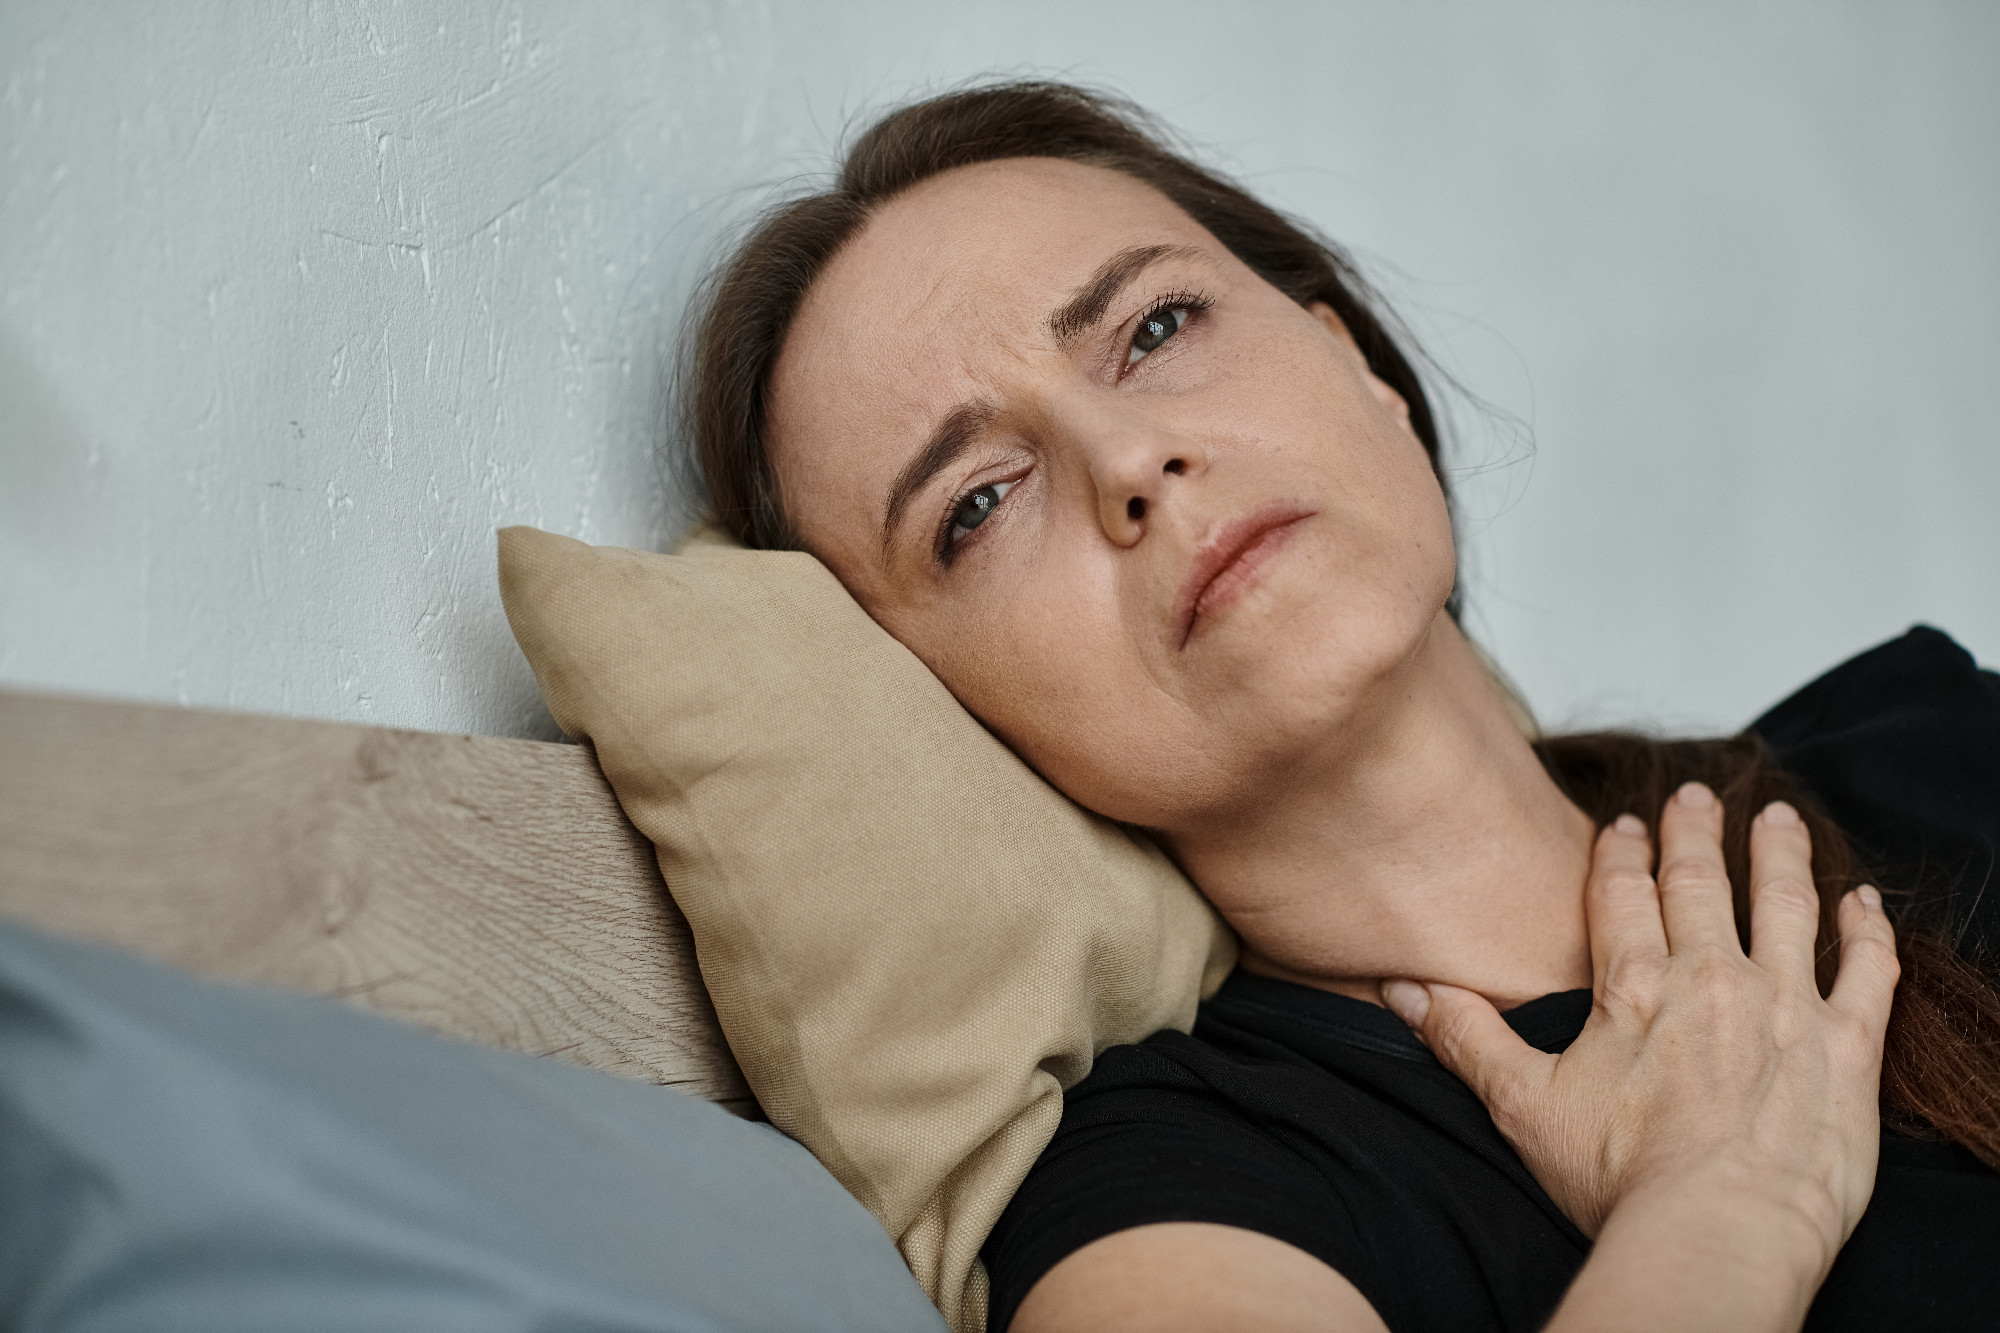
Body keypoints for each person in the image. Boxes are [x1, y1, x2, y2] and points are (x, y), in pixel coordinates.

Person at [679, 81, 2000, 1331]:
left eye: (1155, 329)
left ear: (1355, 364)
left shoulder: (1930, 742)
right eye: (977, 502)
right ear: (941, 699)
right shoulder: (1181, 1191)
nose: (1131, 460)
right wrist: (1724, 1204)